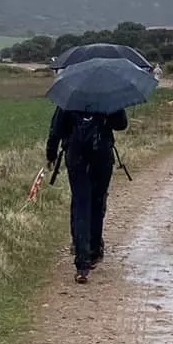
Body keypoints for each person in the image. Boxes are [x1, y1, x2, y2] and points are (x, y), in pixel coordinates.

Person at [47, 105, 128, 282]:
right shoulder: (108, 97)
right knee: (97, 203)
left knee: (81, 203)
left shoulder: (71, 97)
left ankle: (82, 263)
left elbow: (57, 128)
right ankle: (93, 251)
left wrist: (51, 154)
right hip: (102, 155)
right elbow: (121, 124)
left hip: (76, 156)